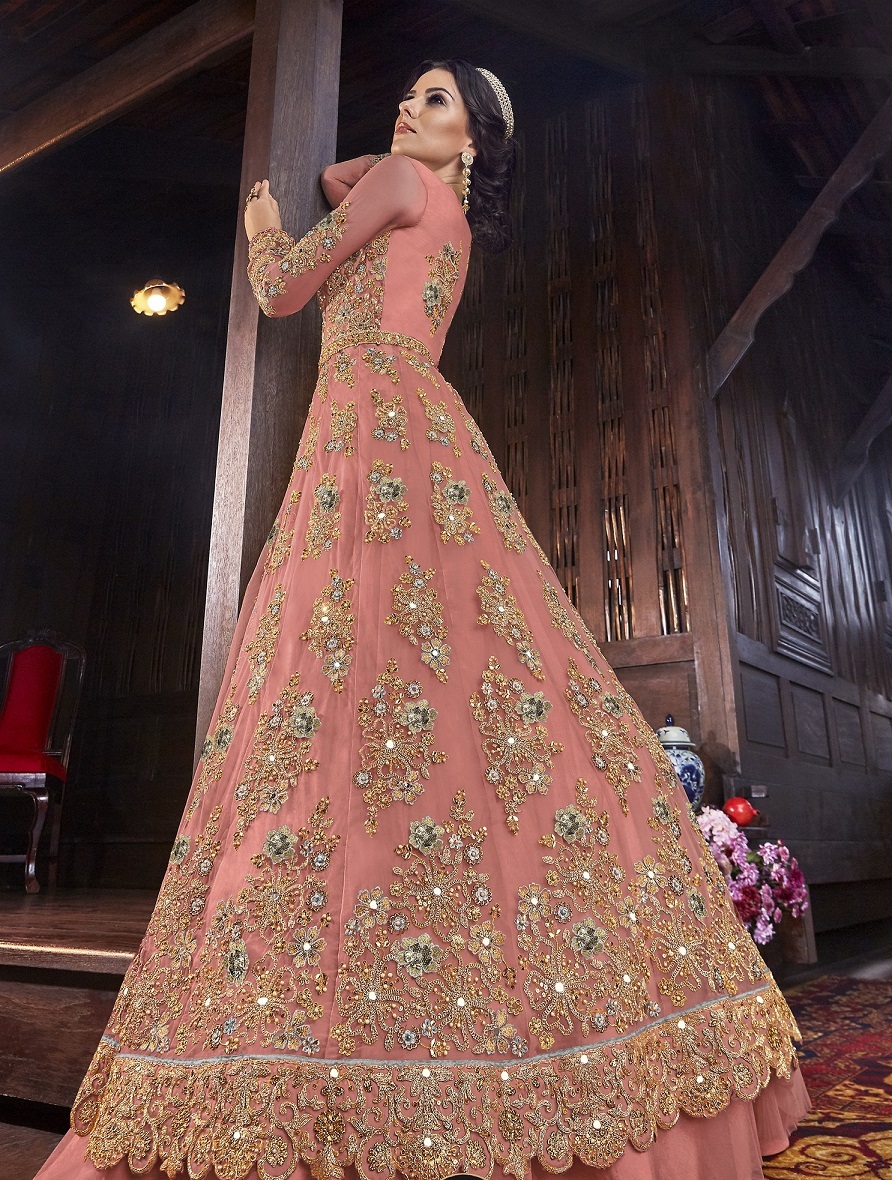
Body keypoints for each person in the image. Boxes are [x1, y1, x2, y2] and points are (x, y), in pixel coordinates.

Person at [35, 57, 810, 1180]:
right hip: (420, 433)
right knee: (453, 687)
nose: (407, 108)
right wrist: (397, 153)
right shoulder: (437, 208)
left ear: (477, 140)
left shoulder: (402, 184)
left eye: (434, 100)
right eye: (407, 93)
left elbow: (282, 288)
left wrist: (262, 225)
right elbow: (344, 177)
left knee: (349, 676)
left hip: (368, 433)